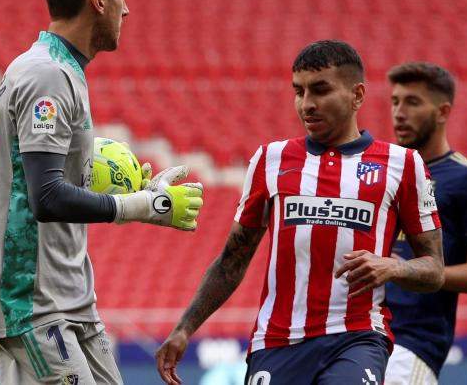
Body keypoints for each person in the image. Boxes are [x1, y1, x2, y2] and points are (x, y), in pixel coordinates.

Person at [0, 0, 204, 385]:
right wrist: (142, 206)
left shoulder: (61, 70)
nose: (127, 8)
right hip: (30, 299)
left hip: (68, 294)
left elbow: (51, 182)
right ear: (98, 0)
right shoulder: (47, 75)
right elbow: (46, 196)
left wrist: (129, 192)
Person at [155, 40, 446, 385]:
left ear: (357, 95)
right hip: (277, 343)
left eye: (320, 90)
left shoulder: (403, 164)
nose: (307, 104)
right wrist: (185, 328)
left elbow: (434, 268)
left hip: (357, 337)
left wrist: (392, 267)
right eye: (299, 91)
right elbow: (233, 259)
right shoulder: (270, 160)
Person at [384, 62, 467, 384]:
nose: (399, 112)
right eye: (395, 101)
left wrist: (417, 273)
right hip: (359, 336)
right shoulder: (385, 172)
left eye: (412, 102)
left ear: (442, 111)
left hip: (411, 343)